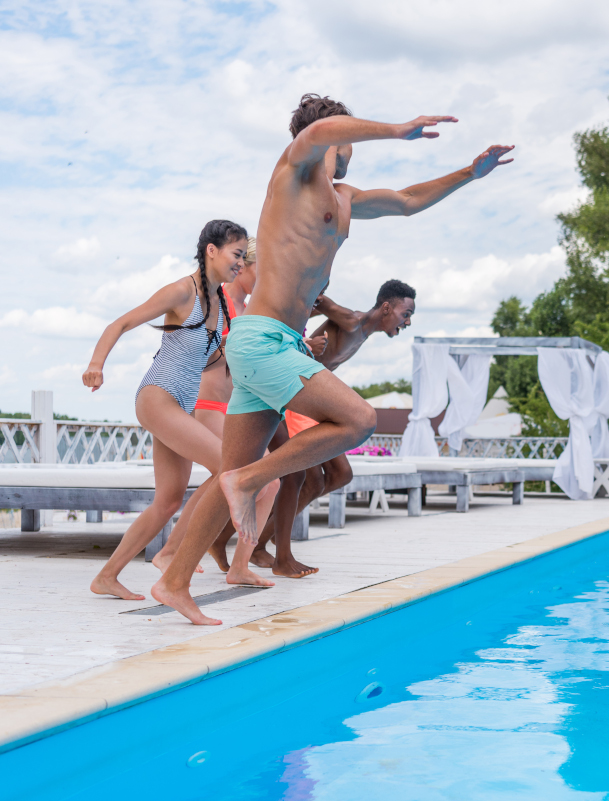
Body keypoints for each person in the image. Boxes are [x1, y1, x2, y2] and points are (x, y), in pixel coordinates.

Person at [152, 93, 514, 624]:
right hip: (262, 338)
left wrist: (468, 173)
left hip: (277, 344)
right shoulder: (293, 170)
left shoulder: (345, 197)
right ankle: (250, 483)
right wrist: (397, 129)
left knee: (229, 470)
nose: (350, 147)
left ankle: (174, 582)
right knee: (358, 420)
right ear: (334, 132)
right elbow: (314, 137)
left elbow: (410, 200)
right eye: (344, 135)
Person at [85, 220, 275, 600]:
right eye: (236, 255)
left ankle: (107, 575)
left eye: (242, 257)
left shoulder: (221, 305)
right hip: (157, 396)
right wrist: (96, 364)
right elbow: (120, 322)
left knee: (169, 500)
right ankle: (177, 561)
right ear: (212, 250)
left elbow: (209, 365)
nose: (240, 263)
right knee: (227, 469)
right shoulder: (180, 291)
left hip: (181, 405)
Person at [249, 279, 417, 576]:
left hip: (312, 402)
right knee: (310, 477)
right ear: (387, 307)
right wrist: (304, 340)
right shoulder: (352, 321)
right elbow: (317, 299)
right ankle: (271, 548)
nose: (408, 321)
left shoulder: (362, 331)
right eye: (406, 314)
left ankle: (265, 540)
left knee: (332, 477)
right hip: (297, 397)